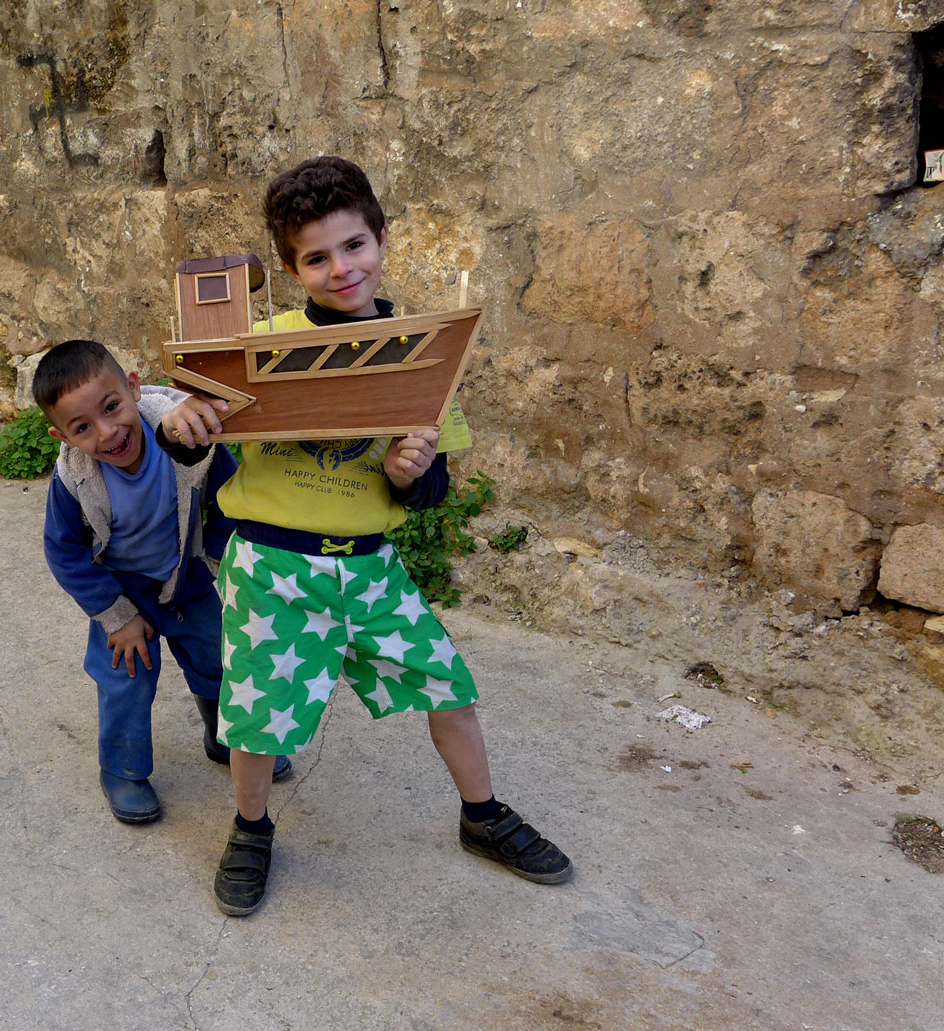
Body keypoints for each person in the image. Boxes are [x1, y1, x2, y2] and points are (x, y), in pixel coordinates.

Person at [159, 156, 571, 915]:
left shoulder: (424, 354)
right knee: (255, 715)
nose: (340, 268)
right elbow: (195, 437)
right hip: (272, 568)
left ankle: (482, 817)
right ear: (292, 268)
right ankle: (251, 830)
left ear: (382, 240)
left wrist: (414, 473)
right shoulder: (259, 346)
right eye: (316, 256)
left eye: (354, 246)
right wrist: (180, 428)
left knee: (450, 688)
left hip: (371, 569)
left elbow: (432, 488)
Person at [37, 340, 290, 824]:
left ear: (133, 386)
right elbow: (63, 551)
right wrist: (116, 616)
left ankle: (226, 738)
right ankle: (123, 770)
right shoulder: (73, 478)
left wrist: (218, 559)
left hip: (186, 575)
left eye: (112, 407)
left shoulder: (185, 434)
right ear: (62, 436)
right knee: (125, 679)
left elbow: (232, 500)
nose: (108, 433)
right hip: (123, 591)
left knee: (221, 658)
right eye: (83, 427)